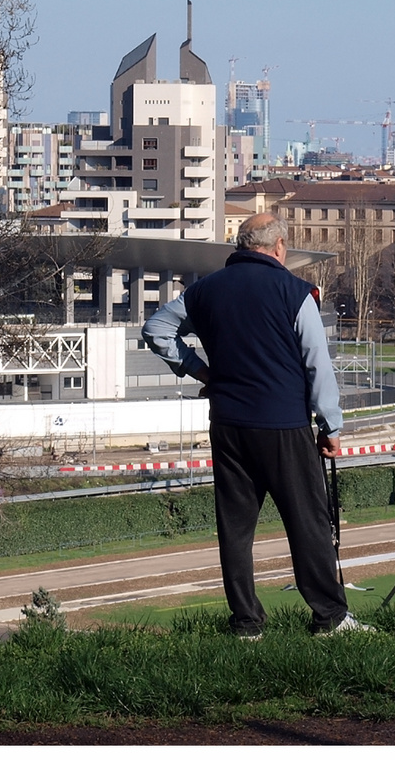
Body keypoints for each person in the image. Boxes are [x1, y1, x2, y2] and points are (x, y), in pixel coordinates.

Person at [143, 212, 373, 638]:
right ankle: (330, 618)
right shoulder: (296, 292)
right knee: (308, 523)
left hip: (228, 425)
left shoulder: (204, 291)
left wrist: (200, 371)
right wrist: (331, 426)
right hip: (284, 426)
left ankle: (247, 623)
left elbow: (156, 329)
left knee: (235, 529)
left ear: (240, 246)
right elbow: (317, 366)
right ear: (279, 246)